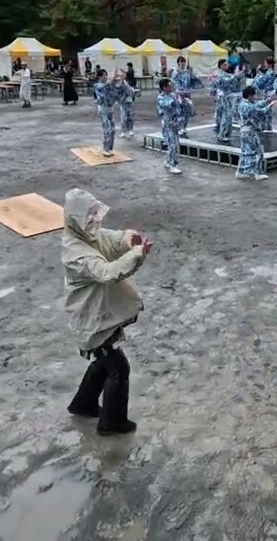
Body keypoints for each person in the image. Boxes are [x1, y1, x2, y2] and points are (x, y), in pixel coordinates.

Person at [62, 188, 152, 435]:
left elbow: (109, 239)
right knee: (118, 368)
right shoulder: (75, 253)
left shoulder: (86, 236)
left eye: (95, 215)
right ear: (76, 220)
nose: (95, 220)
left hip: (100, 314)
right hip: (92, 319)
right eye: (89, 217)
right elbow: (107, 272)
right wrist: (136, 254)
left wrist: (128, 240)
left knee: (104, 361)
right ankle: (112, 423)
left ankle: (83, 404)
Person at [235, 86, 277, 181]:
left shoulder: (242, 103)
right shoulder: (247, 106)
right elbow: (260, 112)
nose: (255, 97)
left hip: (244, 131)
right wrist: (270, 105)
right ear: (250, 96)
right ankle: (257, 173)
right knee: (257, 152)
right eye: (253, 95)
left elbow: (257, 105)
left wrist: (268, 100)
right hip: (250, 132)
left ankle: (241, 171)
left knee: (245, 152)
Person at [155, 78, 190, 175]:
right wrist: (176, 100)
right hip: (168, 124)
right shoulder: (161, 97)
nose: (171, 88)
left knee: (173, 144)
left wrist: (183, 100)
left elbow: (178, 106)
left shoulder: (172, 95)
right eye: (169, 86)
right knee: (172, 145)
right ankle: (172, 165)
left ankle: (168, 161)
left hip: (175, 123)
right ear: (164, 87)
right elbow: (167, 106)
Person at [170, 57, 198, 137]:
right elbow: (174, 83)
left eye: (184, 62)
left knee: (187, 111)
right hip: (179, 93)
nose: (183, 63)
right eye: (181, 62)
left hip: (187, 93)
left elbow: (193, 81)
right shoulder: (176, 72)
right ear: (178, 63)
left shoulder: (187, 72)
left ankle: (184, 127)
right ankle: (179, 127)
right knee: (180, 112)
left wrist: (192, 74)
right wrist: (178, 92)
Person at [93, 69, 119, 157]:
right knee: (107, 130)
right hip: (103, 109)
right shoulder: (97, 85)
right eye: (103, 75)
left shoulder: (108, 84)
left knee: (112, 130)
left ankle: (109, 148)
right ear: (99, 77)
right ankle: (105, 149)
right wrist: (112, 78)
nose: (105, 77)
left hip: (110, 109)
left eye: (106, 75)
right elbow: (104, 87)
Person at [116, 75, 138, 139]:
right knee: (123, 117)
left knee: (129, 116)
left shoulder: (126, 84)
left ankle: (130, 129)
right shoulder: (117, 85)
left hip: (129, 102)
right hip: (123, 103)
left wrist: (134, 92)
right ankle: (124, 131)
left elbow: (131, 92)